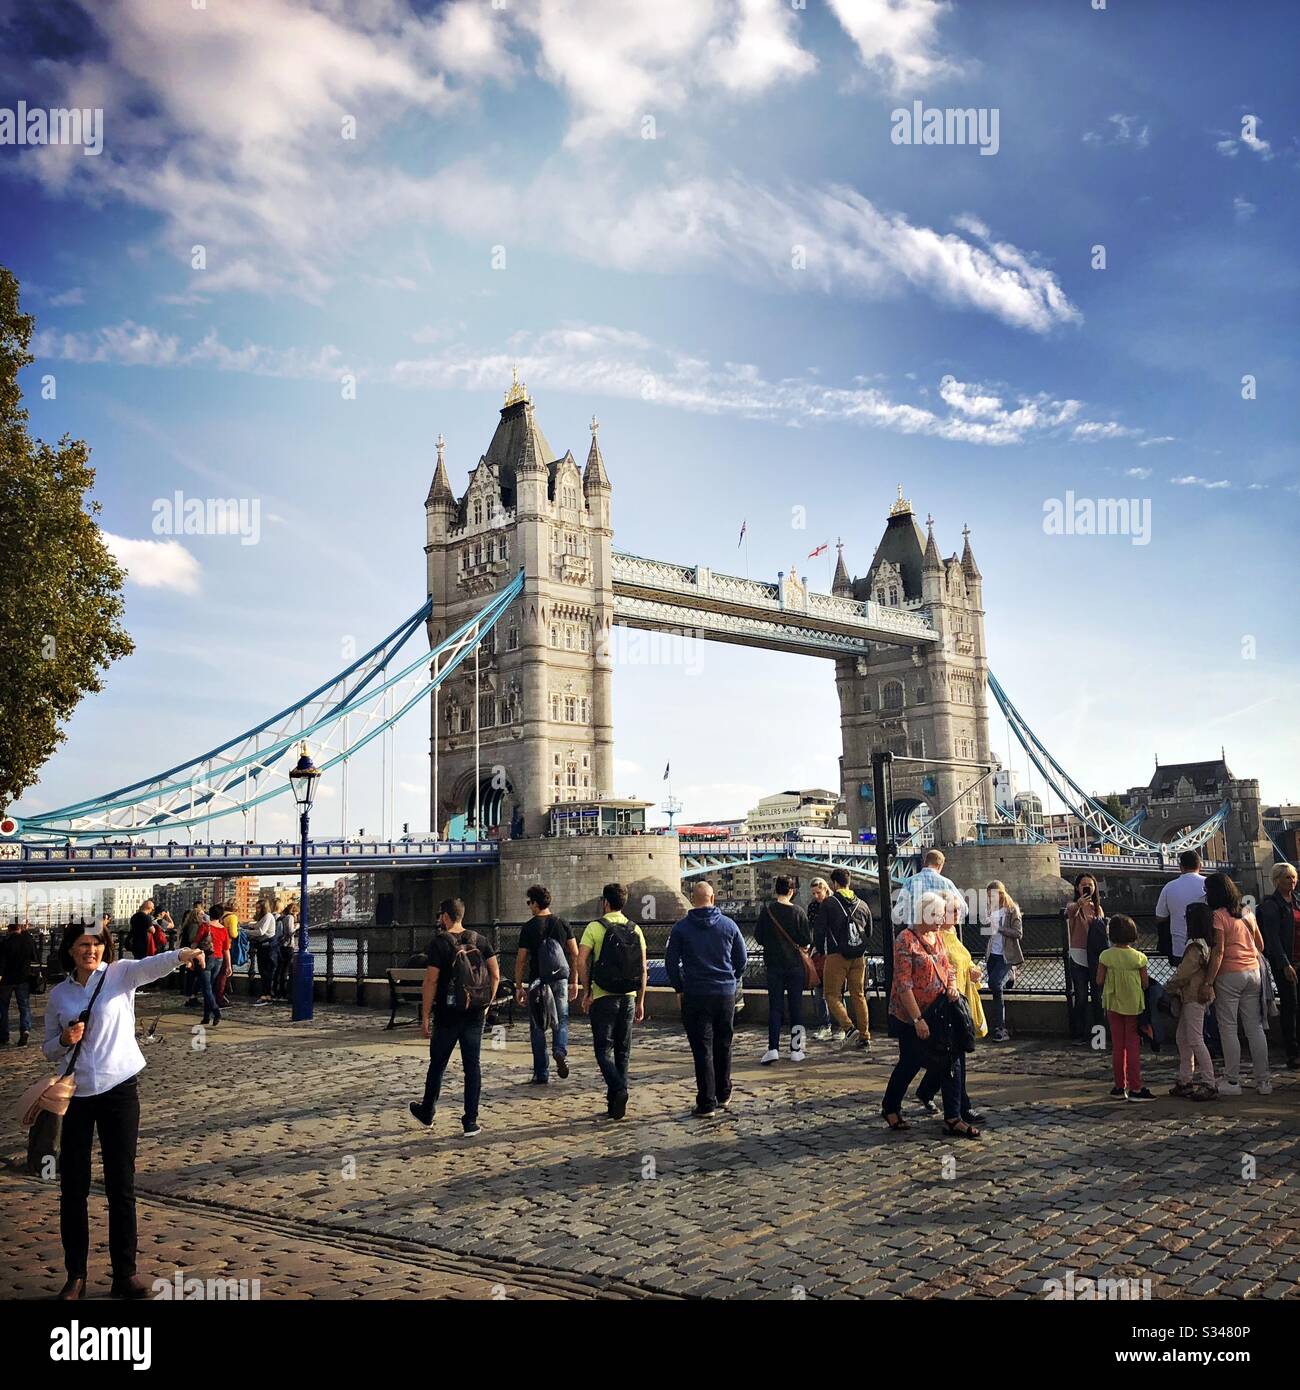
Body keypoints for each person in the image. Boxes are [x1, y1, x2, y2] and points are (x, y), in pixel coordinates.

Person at [43, 923, 206, 1299]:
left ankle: (125, 1275)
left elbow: (154, 964)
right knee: (73, 1187)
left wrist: (182, 955)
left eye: (97, 944)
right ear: (70, 950)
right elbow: (48, 1049)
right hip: (78, 1094)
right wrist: (63, 1040)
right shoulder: (58, 995)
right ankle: (76, 1276)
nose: (91, 950)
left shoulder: (119, 975)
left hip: (120, 1090)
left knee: (121, 1185)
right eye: (84, 945)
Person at [881, 892, 976, 1138]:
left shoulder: (939, 937)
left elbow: (949, 968)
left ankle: (953, 1117)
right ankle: (890, 1107)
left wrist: (952, 986)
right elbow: (903, 984)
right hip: (911, 1015)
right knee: (910, 1063)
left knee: (951, 1060)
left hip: (939, 1012)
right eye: (934, 914)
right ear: (922, 913)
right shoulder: (905, 939)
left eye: (941, 914)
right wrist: (917, 1020)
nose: (939, 919)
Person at [409, 898, 499, 1136]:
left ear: (446, 917)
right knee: (472, 1066)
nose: (440, 920)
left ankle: (427, 1112)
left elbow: (431, 980)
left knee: (437, 1065)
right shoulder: (480, 940)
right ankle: (470, 1121)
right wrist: (486, 1004)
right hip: (475, 1013)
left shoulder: (439, 943)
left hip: (448, 1013)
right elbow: (496, 974)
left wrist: (425, 1015)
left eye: (441, 916)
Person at [665, 881, 747, 1117]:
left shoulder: (681, 929)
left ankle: (706, 1102)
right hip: (724, 994)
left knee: (702, 1049)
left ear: (693, 898)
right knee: (724, 1044)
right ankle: (724, 1093)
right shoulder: (729, 926)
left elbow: (671, 963)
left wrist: (679, 987)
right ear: (713, 899)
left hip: (695, 994)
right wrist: (731, 979)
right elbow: (741, 960)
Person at [915, 892, 987, 1126]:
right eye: (953, 911)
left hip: (961, 1000)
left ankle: (927, 1091)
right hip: (946, 1007)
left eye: (958, 910)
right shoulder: (936, 938)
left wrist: (974, 970)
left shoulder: (953, 934)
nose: (958, 915)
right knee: (955, 1058)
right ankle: (962, 1109)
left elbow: (963, 961)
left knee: (948, 1058)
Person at [578, 884, 647, 1121]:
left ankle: (618, 1090)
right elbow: (643, 968)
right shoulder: (635, 929)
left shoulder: (594, 928)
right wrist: (641, 1000)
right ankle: (617, 1106)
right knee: (623, 1051)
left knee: (602, 1050)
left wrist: (587, 991)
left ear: (605, 902)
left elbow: (581, 960)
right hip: (628, 997)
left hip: (603, 996)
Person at [1203, 872, 1271, 1096]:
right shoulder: (1246, 911)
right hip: (1253, 972)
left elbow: (1218, 951)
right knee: (1255, 1027)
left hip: (1229, 976)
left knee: (1229, 1028)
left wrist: (1208, 982)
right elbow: (1260, 944)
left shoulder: (1218, 916)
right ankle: (1264, 1082)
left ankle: (1232, 1081)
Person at [513, 884, 578, 1085]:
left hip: (537, 981)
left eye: (529, 903)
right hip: (560, 978)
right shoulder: (562, 923)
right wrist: (574, 981)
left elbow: (521, 959)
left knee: (538, 1025)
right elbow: (575, 953)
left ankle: (541, 1072)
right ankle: (560, 1050)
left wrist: (518, 986)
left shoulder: (529, 927)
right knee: (562, 1019)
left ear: (535, 903)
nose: (529, 907)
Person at [754, 875, 812, 1064]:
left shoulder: (767, 912)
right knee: (796, 1007)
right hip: (795, 966)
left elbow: (759, 937)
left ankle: (773, 1048)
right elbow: (806, 940)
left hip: (773, 966)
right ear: (791, 891)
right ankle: (796, 1049)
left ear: (775, 890)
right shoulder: (799, 912)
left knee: (775, 1008)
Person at [1097, 915, 1154, 1101]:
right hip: (1133, 1005)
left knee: (1117, 1047)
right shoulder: (1139, 958)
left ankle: (1119, 1086)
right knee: (1133, 1047)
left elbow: (1099, 980)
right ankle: (1136, 1087)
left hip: (1113, 1004)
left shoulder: (1105, 956)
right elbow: (1145, 983)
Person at [1165, 901, 1216, 1100]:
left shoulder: (1195, 945)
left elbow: (1184, 973)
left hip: (1193, 996)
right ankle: (1185, 1079)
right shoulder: (1207, 943)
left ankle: (1209, 1082)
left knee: (1194, 1039)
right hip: (1194, 995)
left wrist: (1168, 986)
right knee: (1183, 1038)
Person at [819, 867, 873, 1052]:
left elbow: (820, 931)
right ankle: (865, 1037)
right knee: (858, 995)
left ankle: (849, 1028)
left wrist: (820, 950)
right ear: (849, 882)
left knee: (831, 995)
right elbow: (869, 933)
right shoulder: (863, 905)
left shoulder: (829, 903)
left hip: (836, 955)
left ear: (834, 884)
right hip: (859, 957)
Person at [1257, 862, 1300, 1070]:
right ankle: (1293, 1053)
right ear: (1276, 881)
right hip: (1286, 963)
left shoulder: (1297, 902)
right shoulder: (1270, 905)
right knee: (1290, 1006)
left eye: (1293, 877)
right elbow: (1272, 938)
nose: (1292, 881)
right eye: (1287, 878)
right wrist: (1284, 964)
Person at [1066, 874, 1104, 1045]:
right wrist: (1080, 903)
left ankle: (1099, 1037)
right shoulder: (1074, 907)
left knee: (1098, 997)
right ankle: (1078, 1034)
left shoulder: (1098, 908)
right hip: (1078, 956)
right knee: (1080, 996)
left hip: (1095, 957)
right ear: (1077, 888)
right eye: (1083, 885)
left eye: (1090, 885)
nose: (1087, 887)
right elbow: (1068, 913)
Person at [983, 880, 1023, 1042]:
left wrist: (999, 928)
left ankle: (1001, 1028)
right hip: (992, 954)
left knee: (994, 983)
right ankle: (998, 1025)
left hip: (1006, 955)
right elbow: (989, 931)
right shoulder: (990, 909)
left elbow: (1018, 933)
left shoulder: (1012, 910)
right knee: (995, 990)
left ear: (1001, 893)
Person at [1155, 850, 1207, 966]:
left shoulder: (1169, 887)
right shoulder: (1209, 884)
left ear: (1180, 867)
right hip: (1208, 946)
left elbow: (1160, 917)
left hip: (1180, 947)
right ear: (1200, 866)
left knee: (1183, 981)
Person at [896, 848, 962, 926]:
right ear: (940, 865)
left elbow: (899, 912)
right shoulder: (946, 883)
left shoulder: (909, 882)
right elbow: (964, 908)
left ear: (925, 862)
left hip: (915, 933)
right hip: (940, 933)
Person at [0, 920, 38, 1046]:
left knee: (3, 1008)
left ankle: (4, 1035)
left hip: (7, 980)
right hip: (23, 978)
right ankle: (25, 1029)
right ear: (20, 928)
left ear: (9, 929)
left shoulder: (5, 942)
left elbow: (2, 962)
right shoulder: (28, 941)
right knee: (24, 1006)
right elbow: (35, 957)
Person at [807, 878, 835, 1040]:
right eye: (813, 893)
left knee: (834, 992)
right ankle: (825, 1025)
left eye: (818, 892)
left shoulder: (833, 904)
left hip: (833, 952)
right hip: (819, 952)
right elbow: (812, 929)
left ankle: (841, 1026)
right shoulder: (813, 906)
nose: (816, 896)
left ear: (825, 889)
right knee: (819, 991)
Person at [192, 911, 228, 1025]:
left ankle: (216, 1011)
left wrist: (190, 954)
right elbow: (226, 949)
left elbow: (196, 942)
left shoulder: (205, 926)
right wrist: (228, 965)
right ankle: (206, 1017)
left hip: (207, 958)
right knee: (210, 988)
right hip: (219, 959)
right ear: (221, 916)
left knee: (206, 988)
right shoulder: (223, 929)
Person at [251, 900, 279, 1005]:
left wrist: (245, 932)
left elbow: (261, 931)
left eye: (258, 908)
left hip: (268, 947)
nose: (257, 910)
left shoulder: (268, 916)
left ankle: (268, 995)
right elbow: (257, 927)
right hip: (263, 947)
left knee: (268, 971)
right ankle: (266, 994)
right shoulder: (263, 918)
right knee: (263, 971)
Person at [273, 902, 297, 1002]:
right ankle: (283, 991)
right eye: (297, 913)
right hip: (288, 946)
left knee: (280, 968)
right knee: (286, 969)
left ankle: (276, 990)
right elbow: (290, 931)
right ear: (294, 911)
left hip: (280, 946)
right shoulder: (290, 918)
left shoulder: (281, 918)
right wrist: (298, 926)